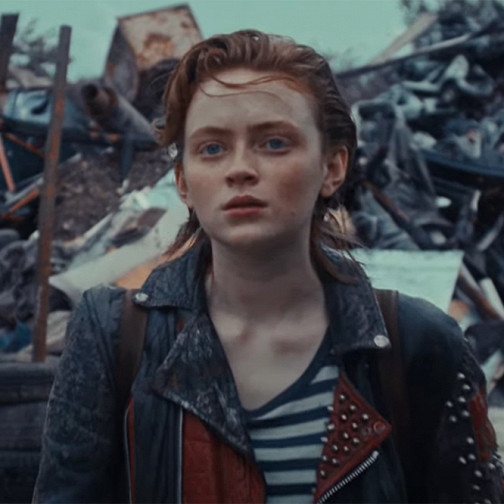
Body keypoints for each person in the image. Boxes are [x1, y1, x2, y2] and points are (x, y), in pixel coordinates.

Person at [34, 30, 503, 503]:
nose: (239, 168)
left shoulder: (420, 344)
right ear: (183, 182)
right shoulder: (114, 337)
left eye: (274, 142)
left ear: (332, 167)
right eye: (211, 148)